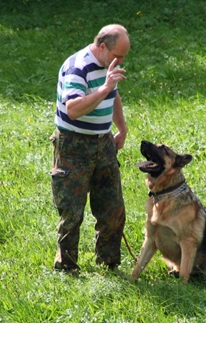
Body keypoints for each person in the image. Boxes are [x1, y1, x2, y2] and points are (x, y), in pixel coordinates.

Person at [50, 24, 130, 272]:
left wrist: (121, 128)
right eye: (118, 55)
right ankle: (67, 267)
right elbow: (73, 110)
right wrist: (104, 87)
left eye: (125, 56)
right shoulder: (78, 67)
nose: (121, 60)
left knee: (113, 208)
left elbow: (113, 95)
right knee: (72, 212)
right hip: (74, 145)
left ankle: (109, 263)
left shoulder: (108, 65)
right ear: (102, 46)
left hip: (103, 142)